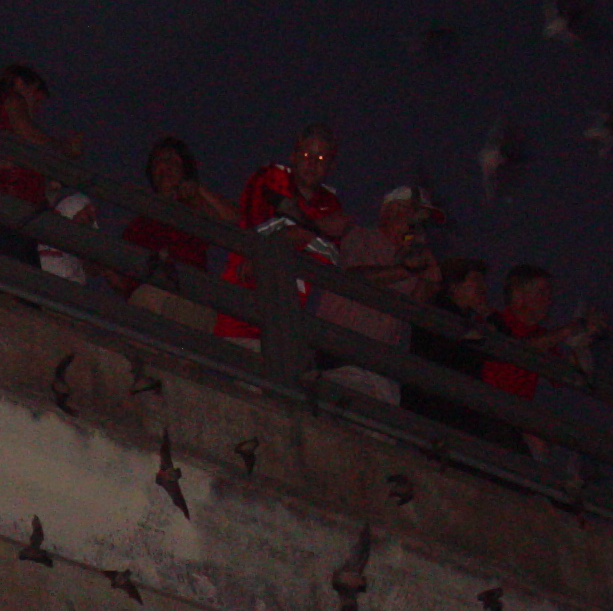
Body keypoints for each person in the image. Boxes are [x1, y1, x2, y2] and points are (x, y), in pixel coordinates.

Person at [215, 123, 350, 345]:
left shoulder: (332, 205)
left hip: (285, 328)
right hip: (240, 311)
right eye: (307, 154)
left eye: (321, 158)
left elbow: (328, 258)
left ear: (330, 166)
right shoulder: (270, 178)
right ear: (294, 155)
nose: (312, 163)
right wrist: (312, 228)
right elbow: (256, 230)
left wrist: (300, 230)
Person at [315, 184, 443, 403]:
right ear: (391, 211)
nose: (420, 224)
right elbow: (355, 279)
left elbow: (410, 315)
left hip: (379, 368)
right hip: (339, 356)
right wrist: (405, 269)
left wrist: (428, 282)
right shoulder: (362, 237)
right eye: (416, 214)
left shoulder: (413, 258)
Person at [476, 264, 603, 455]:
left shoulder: (543, 336)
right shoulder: (495, 323)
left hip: (512, 419)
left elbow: (569, 376)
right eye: (542, 292)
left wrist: (582, 340)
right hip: (484, 413)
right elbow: (519, 350)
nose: (549, 301)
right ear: (519, 296)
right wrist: (567, 330)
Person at [0, 65, 81, 264]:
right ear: (20, 83)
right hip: (11, 207)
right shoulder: (12, 99)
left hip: (8, 209)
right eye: (35, 95)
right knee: (16, 279)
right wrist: (62, 146)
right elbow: (27, 132)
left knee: (12, 277)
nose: (36, 106)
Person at [120, 137, 235, 328]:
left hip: (192, 296)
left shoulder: (194, 209)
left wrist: (198, 191)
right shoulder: (138, 223)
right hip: (150, 297)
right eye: (159, 161)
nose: (165, 167)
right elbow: (122, 277)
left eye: (172, 161)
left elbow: (232, 220)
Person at [402, 258, 496, 436]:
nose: (482, 288)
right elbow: (457, 354)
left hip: (449, 406)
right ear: (454, 286)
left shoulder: (463, 318)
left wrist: (489, 317)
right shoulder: (441, 313)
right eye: (476, 280)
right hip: (435, 405)